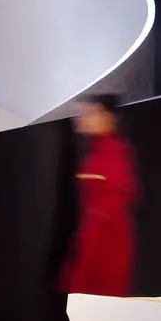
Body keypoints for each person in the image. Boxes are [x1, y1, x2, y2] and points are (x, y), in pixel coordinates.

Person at [60, 94, 140, 297]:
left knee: (100, 294)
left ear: (108, 117)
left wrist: (93, 237)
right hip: (93, 235)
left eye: (91, 113)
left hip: (108, 238)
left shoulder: (116, 150)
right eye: (83, 113)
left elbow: (122, 195)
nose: (83, 118)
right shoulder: (94, 150)